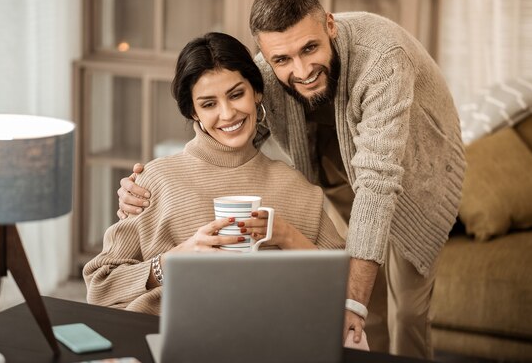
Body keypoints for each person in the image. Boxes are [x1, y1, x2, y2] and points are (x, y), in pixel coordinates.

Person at [117, 0, 465, 359]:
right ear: (265, 55)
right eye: (281, 59)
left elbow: (378, 182)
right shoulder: (266, 74)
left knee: (407, 314)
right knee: (372, 307)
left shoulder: (382, 57)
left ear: (329, 25)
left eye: (310, 48)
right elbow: (230, 129)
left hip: (416, 176)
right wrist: (150, 183)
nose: (300, 69)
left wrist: (353, 306)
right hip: (341, 175)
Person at [83, 32, 345, 317]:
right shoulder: (154, 182)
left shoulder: (295, 187)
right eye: (208, 104)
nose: (228, 113)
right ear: (193, 112)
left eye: (236, 94)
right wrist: (172, 262)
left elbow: (341, 283)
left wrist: (285, 235)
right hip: (168, 340)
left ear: (257, 92)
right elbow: (100, 288)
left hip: (271, 346)